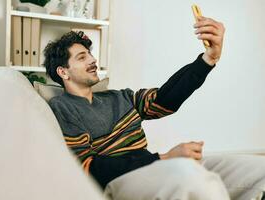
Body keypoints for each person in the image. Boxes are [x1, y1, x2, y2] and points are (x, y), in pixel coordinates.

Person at [43, 17, 265, 200]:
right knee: (189, 175)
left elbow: (164, 99)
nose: (92, 60)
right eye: (82, 57)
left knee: (257, 169)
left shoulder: (120, 97)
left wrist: (208, 59)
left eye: (90, 54)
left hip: (157, 167)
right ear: (63, 72)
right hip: (122, 182)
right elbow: (88, 167)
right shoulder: (62, 107)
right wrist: (163, 158)